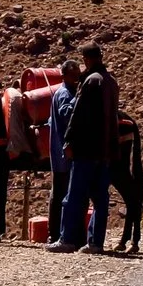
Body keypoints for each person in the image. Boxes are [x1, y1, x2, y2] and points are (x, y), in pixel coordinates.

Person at [55, 44, 116, 253]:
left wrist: (69, 142)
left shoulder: (90, 82)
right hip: (105, 151)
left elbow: (77, 115)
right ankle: (95, 242)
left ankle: (67, 240)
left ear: (87, 59)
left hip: (86, 150)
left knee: (73, 197)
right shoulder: (111, 82)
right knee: (100, 198)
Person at [45, 59, 80, 237]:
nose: (76, 78)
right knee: (61, 194)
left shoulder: (63, 92)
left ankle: (56, 232)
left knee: (58, 192)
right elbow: (67, 113)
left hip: (60, 154)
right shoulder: (66, 94)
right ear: (64, 76)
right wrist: (80, 99)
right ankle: (58, 233)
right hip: (64, 155)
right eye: (73, 75)